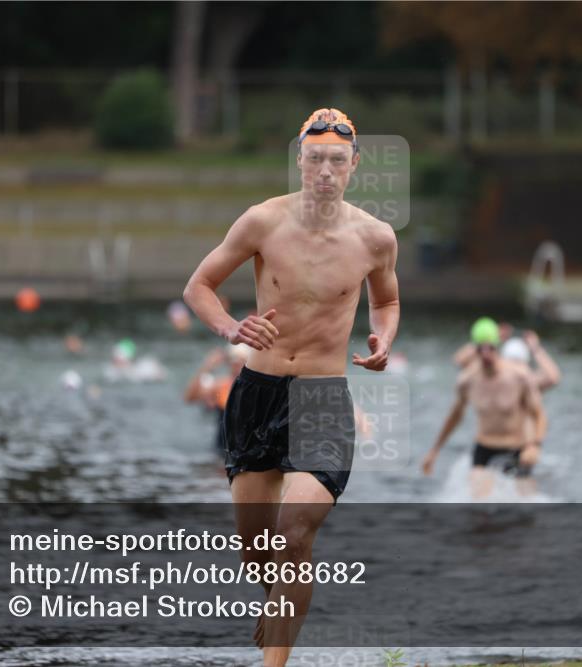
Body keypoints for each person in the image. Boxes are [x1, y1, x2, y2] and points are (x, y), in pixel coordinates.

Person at [182, 107, 400, 667]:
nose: (325, 171)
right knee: (257, 551)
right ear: (299, 161)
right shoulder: (262, 221)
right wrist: (231, 328)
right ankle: (284, 601)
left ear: (354, 164)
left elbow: (387, 300)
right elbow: (199, 286)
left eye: (336, 161)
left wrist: (382, 339)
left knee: (294, 534)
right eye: (314, 159)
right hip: (258, 392)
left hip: (322, 399)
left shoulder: (375, 237)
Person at [422, 317, 546, 499]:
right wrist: (434, 451)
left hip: (517, 449)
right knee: (480, 505)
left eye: (491, 348)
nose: (486, 354)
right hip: (484, 448)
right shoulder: (467, 381)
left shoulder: (519, 377)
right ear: (475, 350)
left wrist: (534, 446)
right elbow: (455, 416)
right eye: (481, 349)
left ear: (498, 347)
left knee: (525, 506)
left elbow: (539, 414)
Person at [184, 344, 250, 456]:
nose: (237, 365)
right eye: (234, 361)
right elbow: (189, 398)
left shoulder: (255, 388)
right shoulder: (220, 386)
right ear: (228, 363)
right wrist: (207, 367)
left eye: (241, 361)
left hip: (247, 450)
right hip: (221, 449)